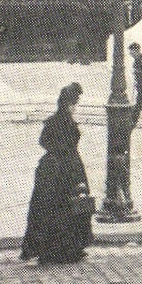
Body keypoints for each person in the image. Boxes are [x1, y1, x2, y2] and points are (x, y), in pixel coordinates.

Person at [20, 83, 94, 265]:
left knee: (49, 208)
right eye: (73, 104)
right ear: (68, 104)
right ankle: (68, 249)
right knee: (69, 207)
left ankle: (48, 249)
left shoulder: (52, 122)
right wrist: (63, 152)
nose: (74, 108)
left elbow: (43, 141)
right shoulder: (68, 123)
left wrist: (55, 151)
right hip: (68, 168)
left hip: (52, 168)